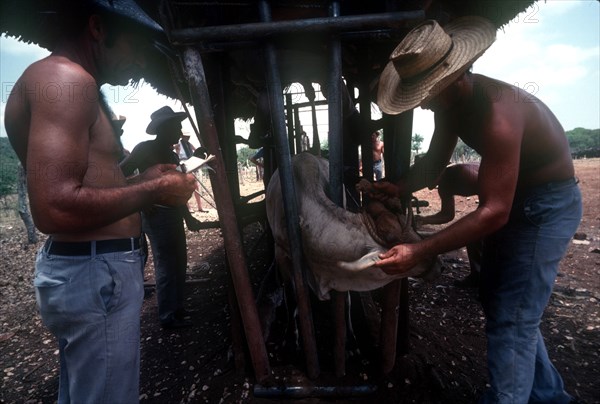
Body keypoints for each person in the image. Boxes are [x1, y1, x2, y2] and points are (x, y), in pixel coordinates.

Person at [374, 17, 581, 403]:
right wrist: (399, 185)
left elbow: (494, 212)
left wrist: (421, 249)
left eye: (428, 93)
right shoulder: (450, 107)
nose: (425, 101)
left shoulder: (499, 116)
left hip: (547, 205)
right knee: (502, 302)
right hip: (519, 198)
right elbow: (435, 162)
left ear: (455, 77)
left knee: (513, 318)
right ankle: (550, 396)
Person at [3, 2, 196, 403]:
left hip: (91, 267)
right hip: (96, 270)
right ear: (97, 28)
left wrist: (140, 179)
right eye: (138, 48)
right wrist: (155, 190)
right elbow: (55, 206)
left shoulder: (66, 81)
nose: (142, 65)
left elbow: (86, 180)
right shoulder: (67, 80)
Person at [121, 106, 197, 330]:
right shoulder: (144, 150)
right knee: (165, 264)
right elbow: (119, 173)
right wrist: (142, 200)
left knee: (179, 261)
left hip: (173, 212)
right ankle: (166, 315)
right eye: (177, 125)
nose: (180, 129)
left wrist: (188, 217)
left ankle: (178, 308)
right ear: (165, 128)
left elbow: (178, 190)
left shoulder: (172, 154)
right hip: (155, 215)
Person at [415, 163, 482, 288]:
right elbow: (447, 215)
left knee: (486, 237)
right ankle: (477, 277)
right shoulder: (444, 186)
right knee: (473, 237)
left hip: (502, 193)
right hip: (488, 198)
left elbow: (493, 190)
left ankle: (489, 284)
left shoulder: (462, 173)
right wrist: (423, 219)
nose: (428, 185)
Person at [176, 133, 208, 213]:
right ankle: (188, 207)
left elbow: (196, 151)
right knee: (185, 187)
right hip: (184, 165)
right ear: (182, 137)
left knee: (196, 186)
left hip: (192, 164)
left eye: (188, 136)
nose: (188, 137)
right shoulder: (178, 145)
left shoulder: (189, 144)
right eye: (186, 136)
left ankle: (200, 207)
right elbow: (176, 155)